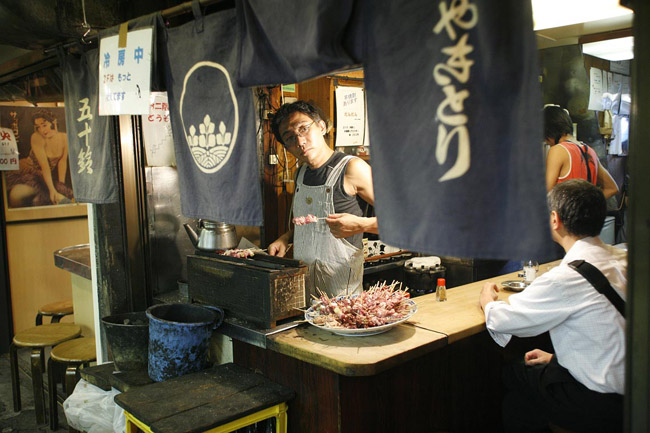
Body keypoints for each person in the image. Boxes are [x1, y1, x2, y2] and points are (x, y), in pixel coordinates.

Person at [479, 179, 626, 433]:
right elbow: (610, 332)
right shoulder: (622, 257)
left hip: (601, 402)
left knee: (512, 377)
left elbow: (507, 320)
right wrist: (557, 359)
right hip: (632, 393)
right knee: (526, 392)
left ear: (555, 219)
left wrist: (486, 301)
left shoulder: (566, 276)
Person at [268, 100, 378, 297]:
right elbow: (313, 223)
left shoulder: (352, 168)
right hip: (305, 293)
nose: (300, 141)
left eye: (304, 129)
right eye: (290, 137)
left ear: (322, 126)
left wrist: (362, 224)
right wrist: (286, 238)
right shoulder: (300, 173)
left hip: (344, 297)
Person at [544, 105, 618, 199]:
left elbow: (545, 194)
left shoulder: (558, 150)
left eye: (547, 140)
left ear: (549, 131)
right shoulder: (590, 151)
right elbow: (612, 188)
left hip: (565, 213)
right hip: (588, 213)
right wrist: (590, 205)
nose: (548, 143)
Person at [6, 109, 73, 207]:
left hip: (42, 175)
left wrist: (61, 186)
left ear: (53, 122)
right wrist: (52, 190)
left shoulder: (64, 137)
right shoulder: (36, 137)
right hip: (24, 171)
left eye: (44, 125)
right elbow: (44, 166)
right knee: (45, 194)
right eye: (38, 127)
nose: (42, 130)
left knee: (62, 191)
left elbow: (62, 162)